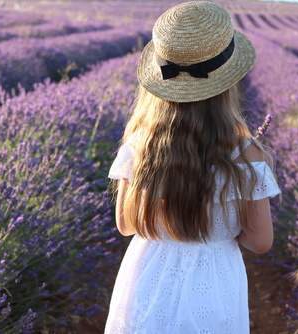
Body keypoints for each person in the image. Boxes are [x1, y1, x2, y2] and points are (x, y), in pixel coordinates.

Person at [105, 1, 281, 333]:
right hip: (214, 281)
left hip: (146, 276)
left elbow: (126, 224)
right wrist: (222, 222)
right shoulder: (246, 155)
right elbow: (260, 242)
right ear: (228, 84)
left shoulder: (139, 144)